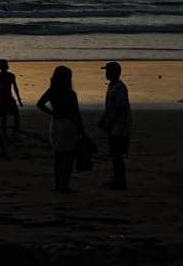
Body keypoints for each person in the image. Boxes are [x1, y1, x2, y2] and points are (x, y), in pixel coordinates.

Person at [36, 65, 86, 193]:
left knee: (58, 157)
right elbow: (76, 114)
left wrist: (52, 113)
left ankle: (58, 185)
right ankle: (65, 185)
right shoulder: (71, 94)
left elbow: (40, 104)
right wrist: (82, 131)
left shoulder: (52, 91)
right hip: (69, 125)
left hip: (56, 125)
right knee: (68, 157)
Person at [98, 61, 131, 190]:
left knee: (118, 154)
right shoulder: (112, 86)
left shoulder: (120, 88)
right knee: (114, 153)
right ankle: (117, 179)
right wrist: (103, 119)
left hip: (120, 126)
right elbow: (109, 107)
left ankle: (120, 182)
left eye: (107, 71)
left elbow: (118, 109)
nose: (105, 73)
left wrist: (109, 122)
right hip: (115, 125)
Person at [0, 59, 23, 141]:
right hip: (7, 98)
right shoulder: (10, 75)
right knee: (15, 116)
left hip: (3, 98)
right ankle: (14, 131)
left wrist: (19, 99)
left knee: (5, 118)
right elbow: (15, 88)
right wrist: (19, 99)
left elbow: (15, 88)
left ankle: (7, 134)